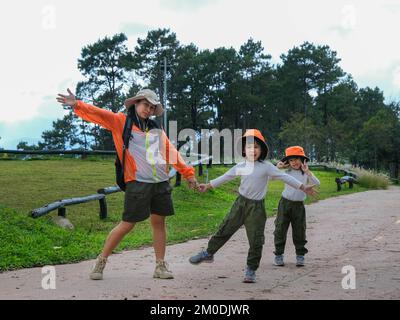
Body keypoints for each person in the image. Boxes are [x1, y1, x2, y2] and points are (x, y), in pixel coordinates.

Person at [57, 88, 198, 280]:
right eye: (145, 105)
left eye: (151, 107)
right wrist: (77, 104)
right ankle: (101, 261)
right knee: (127, 224)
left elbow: (170, 152)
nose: (148, 110)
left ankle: (160, 266)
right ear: (136, 104)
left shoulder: (156, 129)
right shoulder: (121, 122)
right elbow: (98, 114)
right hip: (138, 183)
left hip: (161, 183)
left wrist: (188, 174)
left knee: (159, 223)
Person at [189, 130, 318, 283]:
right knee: (225, 228)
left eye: (256, 147)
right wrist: (209, 185)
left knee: (256, 240)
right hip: (240, 204)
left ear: (262, 149)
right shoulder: (242, 165)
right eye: (249, 147)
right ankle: (209, 253)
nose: (252, 150)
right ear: (244, 150)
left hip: (256, 209)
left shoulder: (267, 167)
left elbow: (285, 177)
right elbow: (227, 176)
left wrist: (303, 187)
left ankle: (251, 269)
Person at [273, 146, 320, 267]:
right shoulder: (285, 172)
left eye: (297, 159)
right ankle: (279, 254)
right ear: (287, 162)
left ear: (302, 160)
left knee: (299, 230)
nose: (294, 162)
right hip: (285, 203)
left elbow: (317, 183)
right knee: (280, 229)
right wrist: (277, 168)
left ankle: (300, 255)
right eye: (291, 160)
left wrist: (308, 172)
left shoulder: (305, 173)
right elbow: (270, 177)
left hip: (299, 206)